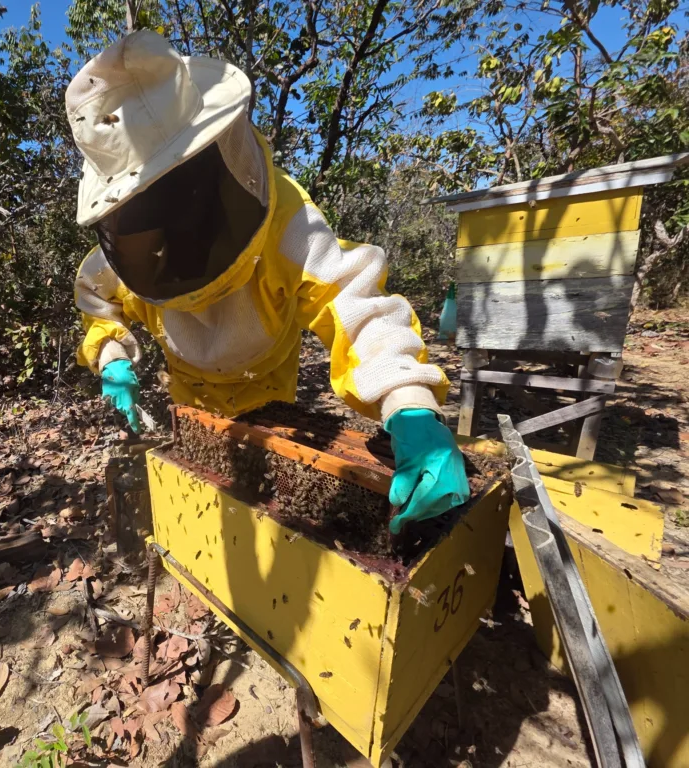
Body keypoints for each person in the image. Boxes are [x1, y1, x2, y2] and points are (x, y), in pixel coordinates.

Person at [67, 30, 468, 533]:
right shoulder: (125, 251)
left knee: (269, 497)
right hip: (190, 393)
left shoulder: (292, 228)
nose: (171, 220)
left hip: (270, 387)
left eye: (180, 191)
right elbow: (98, 297)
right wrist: (113, 359)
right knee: (204, 494)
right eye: (149, 206)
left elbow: (355, 306)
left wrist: (409, 405)